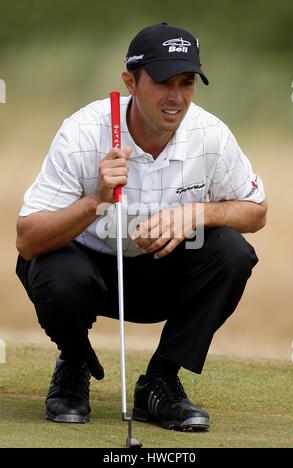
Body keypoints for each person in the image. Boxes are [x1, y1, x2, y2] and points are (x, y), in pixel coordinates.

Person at [16, 23, 267, 430]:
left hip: (161, 277)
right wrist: (94, 200)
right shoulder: (81, 131)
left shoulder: (210, 134)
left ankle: (160, 382)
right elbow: (26, 240)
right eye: (163, 81)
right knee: (53, 272)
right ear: (130, 81)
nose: (176, 97)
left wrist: (198, 214)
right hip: (87, 273)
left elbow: (256, 210)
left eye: (187, 82)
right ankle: (73, 363)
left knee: (232, 251)